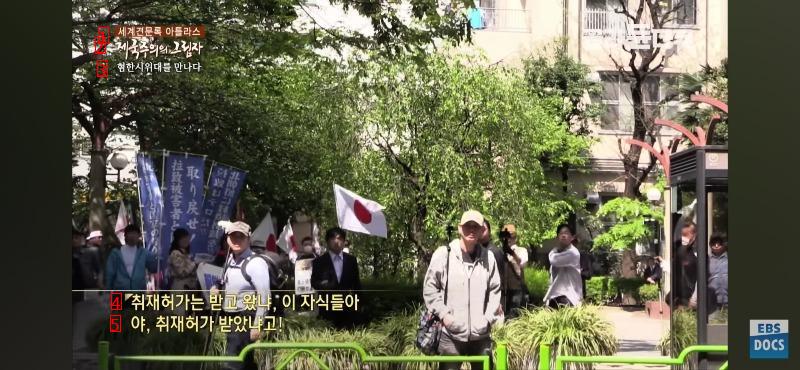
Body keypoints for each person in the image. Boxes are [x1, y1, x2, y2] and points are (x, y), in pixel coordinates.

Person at [423, 210, 503, 370]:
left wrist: (488, 318)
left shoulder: (489, 257)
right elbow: (430, 288)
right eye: (468, 226)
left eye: (476, 226)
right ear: (460, 228)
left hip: (481, 335)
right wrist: (444, 315)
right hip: (451, 335)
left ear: (482, 231)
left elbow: (495, 291)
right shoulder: (444, 254)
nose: (472, 230)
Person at [210, 221, 271, 370]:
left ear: (248, 239)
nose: (236, 241)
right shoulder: (231, 259)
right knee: (245, 361)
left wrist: (257, 325)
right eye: (233, 237)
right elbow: (225, 281)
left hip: (245, 318)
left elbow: (265, 296)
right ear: (227, 239)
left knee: (233, 363)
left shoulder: (256, 263)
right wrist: (216, 288)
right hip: (231, 317)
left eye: (241, 237)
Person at [311, 227, 362, 328]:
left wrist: (359, 304)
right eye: (332, 238)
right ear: (327, 241)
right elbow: (314, 283)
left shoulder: (351, 260)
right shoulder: (319, 262)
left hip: (348, 308)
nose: (336, 241)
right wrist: (326, 286)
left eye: (339, 238)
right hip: (327, 308)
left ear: (344, 241)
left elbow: (357, 284)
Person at [105, 225, 157, 291]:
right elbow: (110, 272)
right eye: (130, 233)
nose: (132, 236)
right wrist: (107, 290)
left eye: (135, 233)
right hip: (119, 292)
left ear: (139, 236)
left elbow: (154, 268)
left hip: (138, 292)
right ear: (125, 236)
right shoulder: (116, 253)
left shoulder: (144, 253)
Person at [543, 224, 582, 308]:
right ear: (557, 238)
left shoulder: (573, 253)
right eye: (561, 233)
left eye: (566, 233)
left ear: (572, 237)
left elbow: (553, 260)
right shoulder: (559, 252)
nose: (563, 235)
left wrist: (555, 249)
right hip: (556, 295)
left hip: (568, 296)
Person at [500, 224, 528, 318]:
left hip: (516, 290)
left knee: (515, 318)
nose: (508, 239)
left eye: (510, 236)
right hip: (503, 291)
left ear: (515, 237)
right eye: (506, 237)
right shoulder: (499, 252)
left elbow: (521, 266)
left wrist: (512, 254)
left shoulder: (521, 250)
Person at [481, 220, 506, 313]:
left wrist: (498, 302)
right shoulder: (476, 251)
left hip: (493, 300)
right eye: (479, 229)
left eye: (484, 229)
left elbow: (500, 279)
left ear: (490, 232)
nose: (481, 232)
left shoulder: (494, 252)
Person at [72, 229, 103, 303]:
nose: (74, 240)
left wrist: (100, 283)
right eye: (72, 238)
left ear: (80, 239)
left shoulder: (91, 252)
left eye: (76, 238)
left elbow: (99, 270)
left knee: (91, 309)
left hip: (89, 287)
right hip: (74, 290)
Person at [675, 221, 698, 307]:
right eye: (682, 235)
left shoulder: (699, 253)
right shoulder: (681, 251)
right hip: (683, 297)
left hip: (693, 298)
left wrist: (694, 299)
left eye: (686, 235)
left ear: (694, 235)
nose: (683, 238)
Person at [708, 232, 728, 312]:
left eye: (719, 243)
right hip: (713, 305)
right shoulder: (706, 260)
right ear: (710, 244)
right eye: (714, 243)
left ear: (724, 244)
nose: (716, 245)